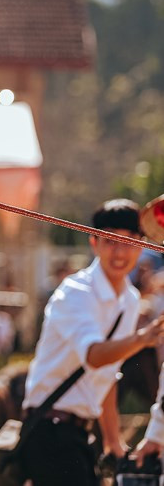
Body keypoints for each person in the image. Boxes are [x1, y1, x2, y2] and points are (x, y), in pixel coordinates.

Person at [20, 199, 164, 485]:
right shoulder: (75, 293)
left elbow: (107, 375)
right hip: (49, 430)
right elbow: (95, 356)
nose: (120, 252)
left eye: (130, 242)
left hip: (79, 436)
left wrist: (113, 441)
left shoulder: (129, 299)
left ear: (141, 245)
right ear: (93, 242)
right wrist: (141, 339)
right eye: (110, 241)